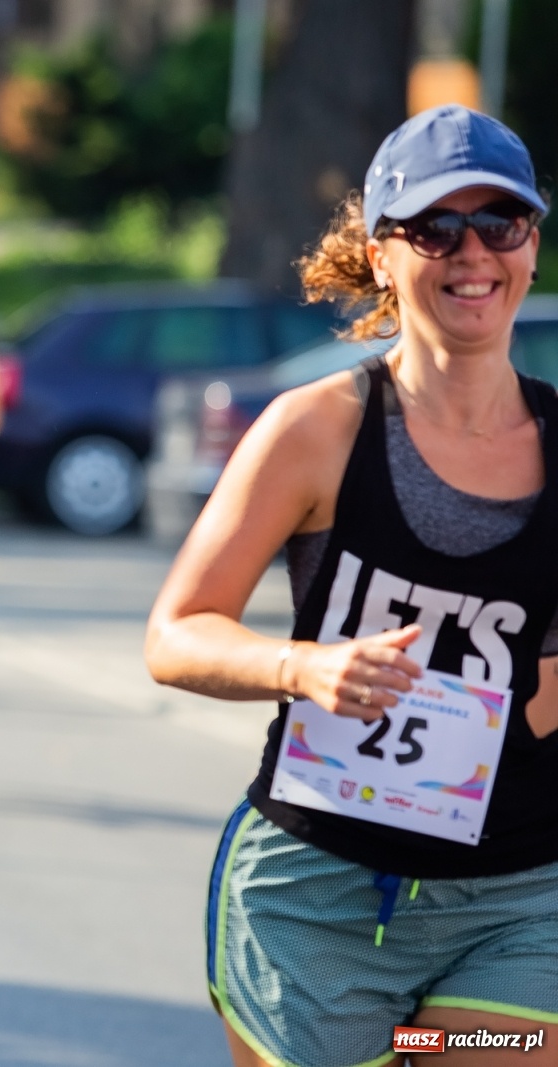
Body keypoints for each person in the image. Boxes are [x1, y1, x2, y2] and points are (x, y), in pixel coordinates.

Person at [146, 105, 558, 1067]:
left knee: (463, 1051)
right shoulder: (315, 430)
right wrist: (305, 667)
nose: (472, 253)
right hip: (317, 897)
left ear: (530, 246)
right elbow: (178, 631)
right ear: (379, 254)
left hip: (514, 901)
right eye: (435, 228)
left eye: (499, 223)